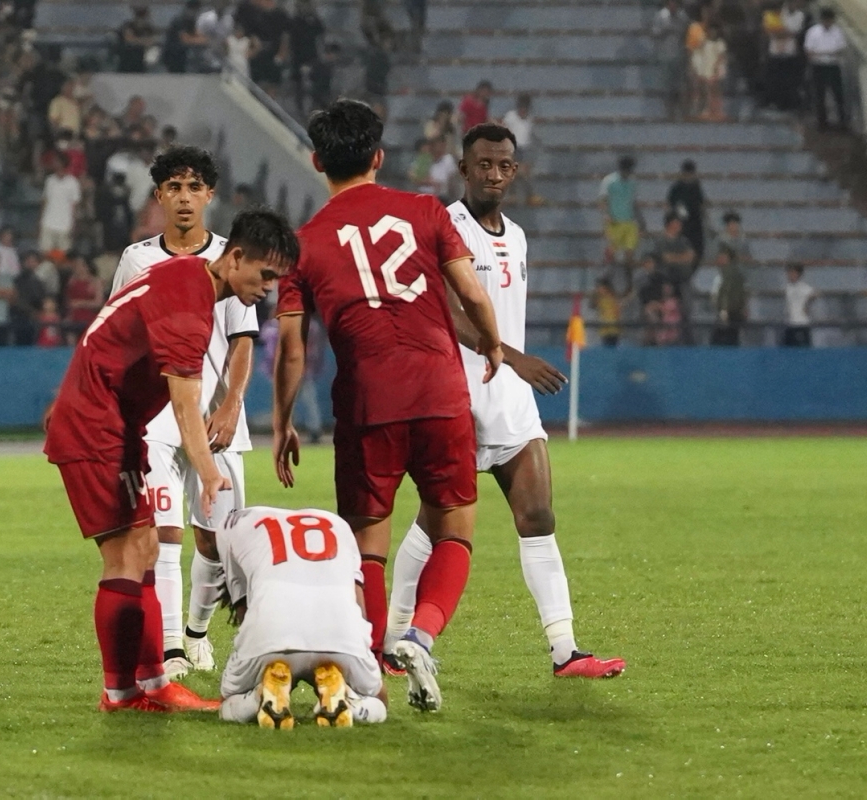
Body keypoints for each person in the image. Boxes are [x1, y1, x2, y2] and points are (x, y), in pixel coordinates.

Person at [272, 100, 507, 712]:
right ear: (378, 156)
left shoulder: (304, 244)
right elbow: (473, 292)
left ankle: (371, 669)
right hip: (438, 391)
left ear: (317, 160)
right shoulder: (426, 211)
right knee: (455, 525)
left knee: (366, 544)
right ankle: (422, 637)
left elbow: (293, 350)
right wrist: (491, 341)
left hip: (367, 401)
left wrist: (283, 421)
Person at [384, 123, 624, 680]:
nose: (494, 173)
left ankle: (565, 651)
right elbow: (449, 313)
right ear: (464, 169)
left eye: (504, 165)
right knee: (435, 524)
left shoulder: (516, 235)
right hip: (456, 397)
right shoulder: (444, 227)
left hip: (512, 403)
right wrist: (513, 357)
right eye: (484, 164)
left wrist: (512, 369)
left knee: (538, 515)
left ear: (515, 171)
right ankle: (393, 636)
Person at [43, 208, 298, 714]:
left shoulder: (185, 276)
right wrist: (208, 473)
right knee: (125, 557)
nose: (268, 288)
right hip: (96, 425)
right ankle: (122, 693)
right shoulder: (190, 307)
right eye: (265, 274)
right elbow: (186, 408)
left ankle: (154, 683)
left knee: (143, 549)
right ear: (236, 258)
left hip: (113, 423)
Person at [110, 146, 258, 680]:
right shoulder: (137, 259)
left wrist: (231, 403)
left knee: (217, 541)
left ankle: (197, 632)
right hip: (156, 418)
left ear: (209, 195)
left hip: (216, 418)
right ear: (159, 196)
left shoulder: (231, 256)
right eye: (174, 188)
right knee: (165, 531)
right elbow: (118, 332)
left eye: (194, 187)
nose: (184, 198)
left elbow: (243, 339)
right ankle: (173, 648)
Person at [216, 506, 387, 728]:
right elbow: (359, 604)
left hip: (271, 634)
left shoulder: (229, 527)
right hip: (342, 636)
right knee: (380, 701)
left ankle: (259, 697)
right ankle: (348, 700)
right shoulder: (339, 524)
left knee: (227, 704)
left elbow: (243, 609)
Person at [598, 155, 642, 290]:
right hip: (614, 222)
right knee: (612, 253)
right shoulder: (609, 181)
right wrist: (605, 215)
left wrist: (640, 220)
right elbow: (603, 200)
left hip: (629, 222)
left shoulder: (633, 182)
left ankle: (629, 282)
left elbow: (633, 202)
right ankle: (605, 281)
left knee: (629, 253)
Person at [804, 8, 847, 131]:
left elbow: (840, 51)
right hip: (818, 66)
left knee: (838, 94)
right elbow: (809, 52)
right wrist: (828, 53)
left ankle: (842, 121)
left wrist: (821, 53)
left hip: (833, 66)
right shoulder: (813, 32)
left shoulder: (838, 32)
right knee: (819, 94)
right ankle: (822, 122)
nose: (828, 22)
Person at [501, 94, 543, 205]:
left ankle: (527, 195)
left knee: (524, 171)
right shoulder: (511, 117)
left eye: (525, 108)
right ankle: (515, 194)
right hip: (512, 147)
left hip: (525, 149)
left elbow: (530, 137)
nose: (523, 111)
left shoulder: (529, 119)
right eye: (521, 108)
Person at [667, 159, 707, 266]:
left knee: (697, 250)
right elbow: (670, 205)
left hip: (695, 223)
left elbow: (701, 205)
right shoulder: (677, 188)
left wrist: (706, 220)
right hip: (681, 224)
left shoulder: (696, 187)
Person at [40, 155, 82, 253]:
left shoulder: (73, 182)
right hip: (48, 224)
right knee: (46, 254)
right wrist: (40, 222)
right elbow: (45, 201)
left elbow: (74, 205)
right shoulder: (49, 180)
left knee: (63, 256)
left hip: (65, 226)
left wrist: (74, 225)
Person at [710, 244, 746, 346]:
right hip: (729, 312)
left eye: (722, 257)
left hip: (728, 314)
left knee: (720, 341)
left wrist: (724, 310)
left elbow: (726, 292)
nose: (719, 259)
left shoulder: (729, 273)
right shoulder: (727, 273)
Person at [691, 24, 727, 120]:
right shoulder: (704, 43)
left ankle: (719, 111)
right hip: (707, 69)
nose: (712, 33)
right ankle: (708, 110)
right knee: (708, 91)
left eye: (714, 30)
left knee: (717, 91)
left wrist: (716, 67)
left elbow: (721, 56)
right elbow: (699, 55)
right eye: (710, 31)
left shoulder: (720, 43)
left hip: (717, 70)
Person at [116, 6, 158, 74]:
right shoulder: (128, 25)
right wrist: (142, 41)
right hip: (127, 56)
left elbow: (151, 41)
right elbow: (129, 39)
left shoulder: (149, 28)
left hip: (142, 58)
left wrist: (137, 40)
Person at [782, 263, 815, 346]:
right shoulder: (788, 287)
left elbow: (814, 294)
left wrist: (807, 305)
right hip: (790, 323)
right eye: (789, 273)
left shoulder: (803, 287)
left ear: (798, 274)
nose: (790, 275)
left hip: (802, 323)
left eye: (793, 273)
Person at [591, 277, 622, 346]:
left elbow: (617, 312)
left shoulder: (613, 298)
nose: (599, 290)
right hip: (604, 327)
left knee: (613, 344)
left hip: (613, 327)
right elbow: (592, 305)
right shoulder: (599, 299)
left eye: (601, 287)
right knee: (606, 344)